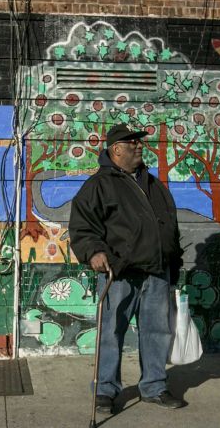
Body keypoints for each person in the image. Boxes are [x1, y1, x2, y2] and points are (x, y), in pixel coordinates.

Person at [69, 123, 185, 413]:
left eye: (140, 142)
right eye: (132, 142)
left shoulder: (153, 184)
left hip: (156, 272)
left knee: (157, 331)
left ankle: (155, 387)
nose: (139, 146)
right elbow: (82, 228)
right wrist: (94, 251)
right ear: (116, 149)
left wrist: (173, 264)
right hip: (119, 273)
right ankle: (105, 391)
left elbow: (169, 225)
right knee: (111, 332)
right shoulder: (98, 185)